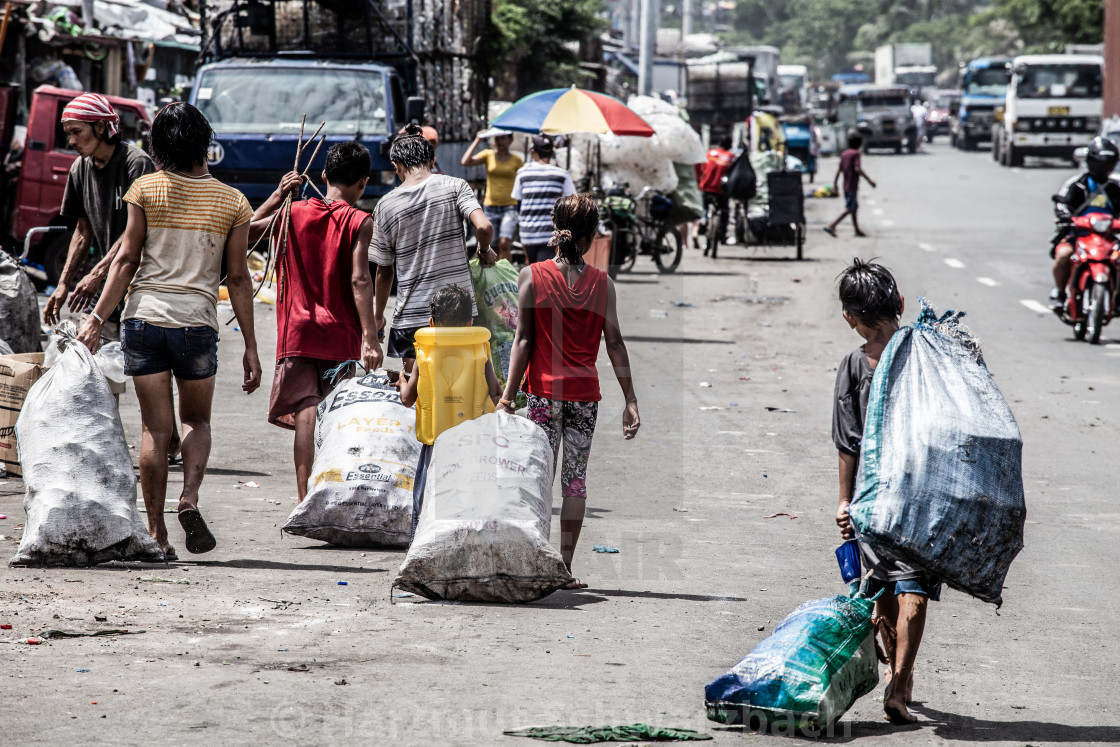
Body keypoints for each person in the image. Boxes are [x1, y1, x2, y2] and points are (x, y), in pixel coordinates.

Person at [76, 102, 262, 559]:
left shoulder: (145, 189)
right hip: (196, 325)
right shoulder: (233, 201)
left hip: (144, 320)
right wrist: (252, 348)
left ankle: (156, 534)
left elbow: (125, 261)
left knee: (154, 430)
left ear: (159, 145)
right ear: (204, 142)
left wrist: (97, 319)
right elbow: (238, 278)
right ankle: (189, 499)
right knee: (196, 420)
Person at [496, 194, 641, 589]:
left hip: (542, 395)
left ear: (555, 228)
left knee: (537, 480)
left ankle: (535, 560)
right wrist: (630, 399)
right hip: (584, 396)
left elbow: (523, 341)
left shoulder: (533, 275)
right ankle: (563, 567)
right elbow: (615, 344)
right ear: (592, 236)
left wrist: (507, 399)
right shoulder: (602, 284)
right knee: (574, 483)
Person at [832, 257, 937, 725]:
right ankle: (900, 681)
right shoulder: (930, 351)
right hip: (924, 495)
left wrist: (845, 499)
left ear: (852, 316)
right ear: (897, 303)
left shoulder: (855, 364)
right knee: (908, 590)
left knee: (889, 590)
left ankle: (899, 681)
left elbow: (847, 441)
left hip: (878, 497)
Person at [258, 142, 381, 503]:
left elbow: (246, 231)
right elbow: (361, 280)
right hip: (340, 334)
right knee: (335, 415)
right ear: (363, 183)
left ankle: (303, 498)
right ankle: (331, 495)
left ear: (324, 175)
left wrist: (278, 196)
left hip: (298, 330)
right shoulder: (360, 221)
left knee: (306, 411)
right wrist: (370, 337)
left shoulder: (292, 212)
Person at [372, 124, 494, 373]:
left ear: (397, 166)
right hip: (459, 312)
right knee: (462, 391)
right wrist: (484, 251)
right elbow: (483, 226)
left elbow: (385, 270)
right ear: (432, 159)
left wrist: (378, 316)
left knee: (419, 398)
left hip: (411, 317)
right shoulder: (455, 186)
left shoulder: (385, 205)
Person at [45, 93, 155, 334]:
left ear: (101, 126)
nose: (71, 141)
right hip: (107, 279)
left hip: (140, 282)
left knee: (132, 362)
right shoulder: (79, 169)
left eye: (77, 132)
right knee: (88, 354)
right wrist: (63, 284)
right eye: (68, 134)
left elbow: (136, 230)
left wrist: (96, 273)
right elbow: (83, 231)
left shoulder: (135, 163)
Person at [396, 284, 502, 531]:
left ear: (431, 322)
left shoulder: (426, 352)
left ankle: (418, 546)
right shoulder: (480, 349)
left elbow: (407, 399)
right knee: (470, 501)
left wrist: (402, 380)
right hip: (471, 442)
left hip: (436, 442)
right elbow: (496, 391)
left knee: (424, 503)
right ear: (470, 322)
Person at [1049, 136, 1120, 309]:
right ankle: (1060, 293)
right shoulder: (1076, 184)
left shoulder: (1115, 187)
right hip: (1077, 234)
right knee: (1063, 256)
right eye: (1099, 162)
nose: (1103, 167)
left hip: (1107, 238)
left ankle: (1117, 297)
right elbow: (1061, 202)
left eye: (1107, 163)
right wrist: (1065, 217)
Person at [511, 135, 576, 264]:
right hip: (549, 235)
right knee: (543, 273)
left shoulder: (522, 173)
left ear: (533, 152)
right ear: (552, 152)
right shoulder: (562, 174)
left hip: (527, 233)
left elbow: (518, 202)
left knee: (533, 269)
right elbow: (572, 201)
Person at [461, 129, 523, 261]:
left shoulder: (517, 160)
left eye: (503, 138)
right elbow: (465, 162)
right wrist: (478, 140)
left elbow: (522, 181)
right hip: (491, 205)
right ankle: (493, 277)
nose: (499, 141)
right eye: (497, 138)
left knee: (505, 243)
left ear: (510, 140)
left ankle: (508, 277)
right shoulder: (488, 155)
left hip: (509, 206)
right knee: (491, 245)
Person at [824, 134, 876, 238]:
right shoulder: (856, 154)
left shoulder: (844, 154)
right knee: (850, 208)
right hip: (852, 186)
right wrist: (869, 181)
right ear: (859, 144)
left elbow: (839, 171)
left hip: (845, 186)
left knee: (854, 208)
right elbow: (857, 168)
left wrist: (835, 184)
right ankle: (832, 225)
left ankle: (856, 230)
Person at [698, 135, 734, 257]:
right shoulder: (731, 158)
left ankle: (703, 220)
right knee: (725, 211)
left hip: (706, 187)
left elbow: (701, 167)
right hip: (721, 190)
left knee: (705, 208)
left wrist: (700, 179)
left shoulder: (710, 153)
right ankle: (722, 234)